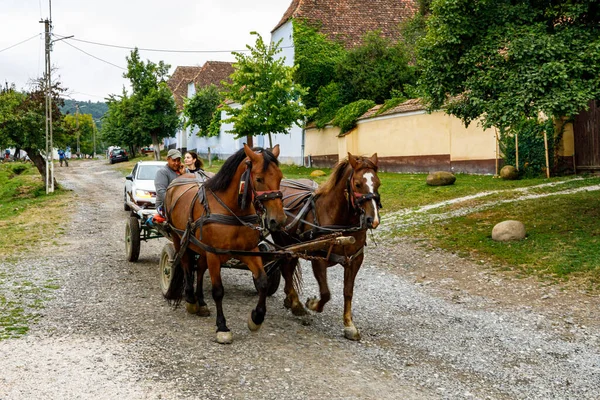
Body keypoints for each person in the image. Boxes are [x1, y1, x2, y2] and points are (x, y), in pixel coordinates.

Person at [153, 149, 182, 224]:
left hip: (182, 204)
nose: (176, 163)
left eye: (178, 161)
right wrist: (176, 204)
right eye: (174, 160)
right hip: (164, 206)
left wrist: (184, 174)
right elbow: (161, 192)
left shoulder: (183, 171)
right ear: (168, 159)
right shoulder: (162, 172)